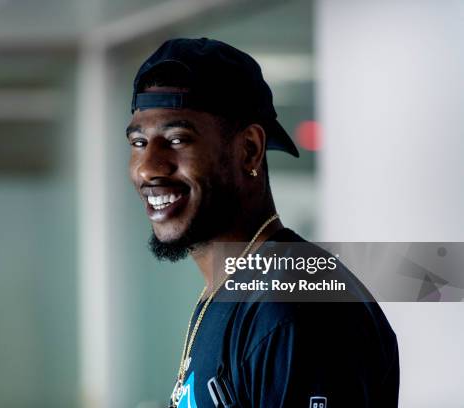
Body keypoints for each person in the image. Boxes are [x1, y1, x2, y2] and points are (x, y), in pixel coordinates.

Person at [126, 38, 399, 408]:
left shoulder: (293, 307)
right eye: (139, 142)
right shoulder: (231, 289)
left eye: (176, 139)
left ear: (250, 149)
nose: (148, 167)